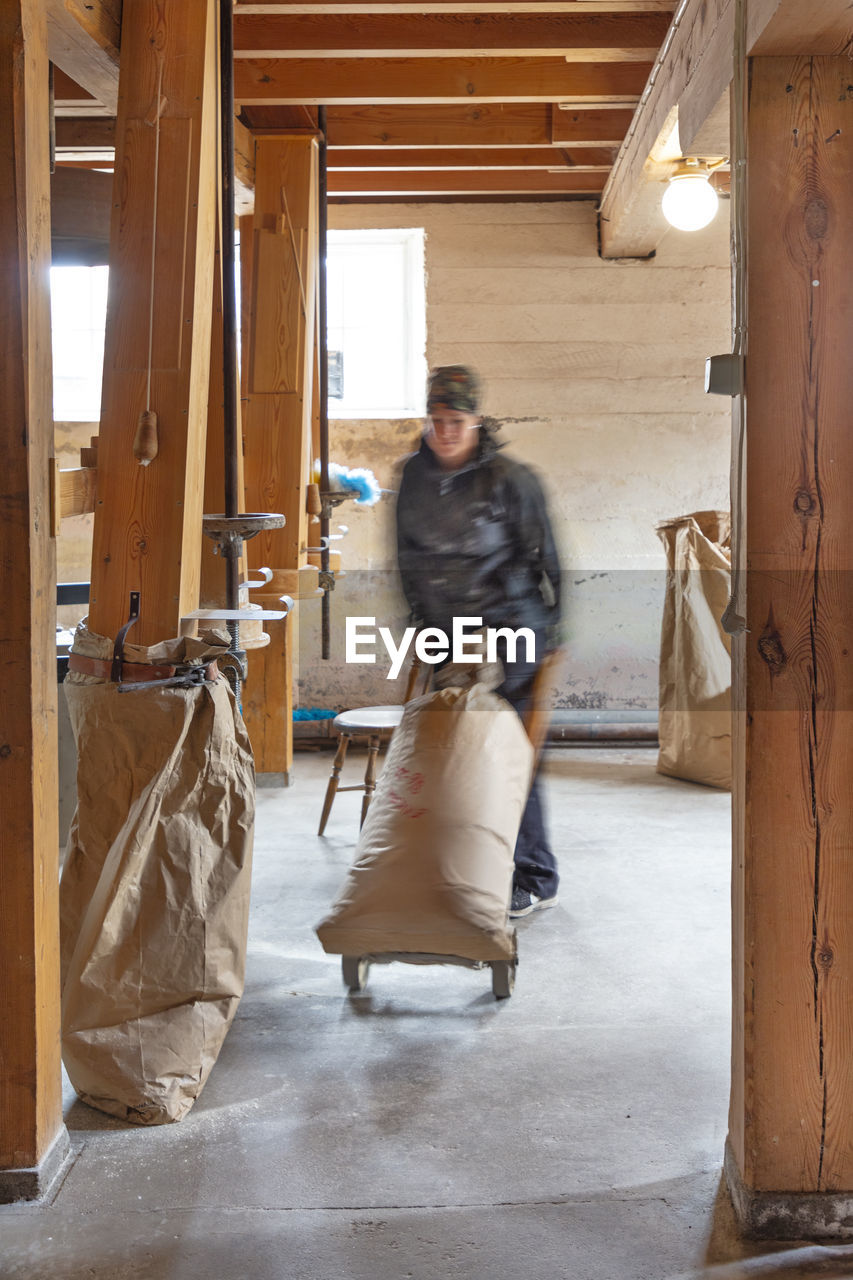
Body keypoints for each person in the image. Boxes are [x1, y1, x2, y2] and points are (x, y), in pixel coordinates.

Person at [396, 365, 562, 918]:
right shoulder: (413, 479)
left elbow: (548, 560)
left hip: (511, 626)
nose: (445, 431)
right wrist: (419, 626)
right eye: (437, 420)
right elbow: (407, 558)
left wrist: (551, 639)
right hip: (447, 631)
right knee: (453, 753)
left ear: (476, 421)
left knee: (508, 752)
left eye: (457, 421)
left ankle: (530, 874)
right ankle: (462, 862)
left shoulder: (511, 480)